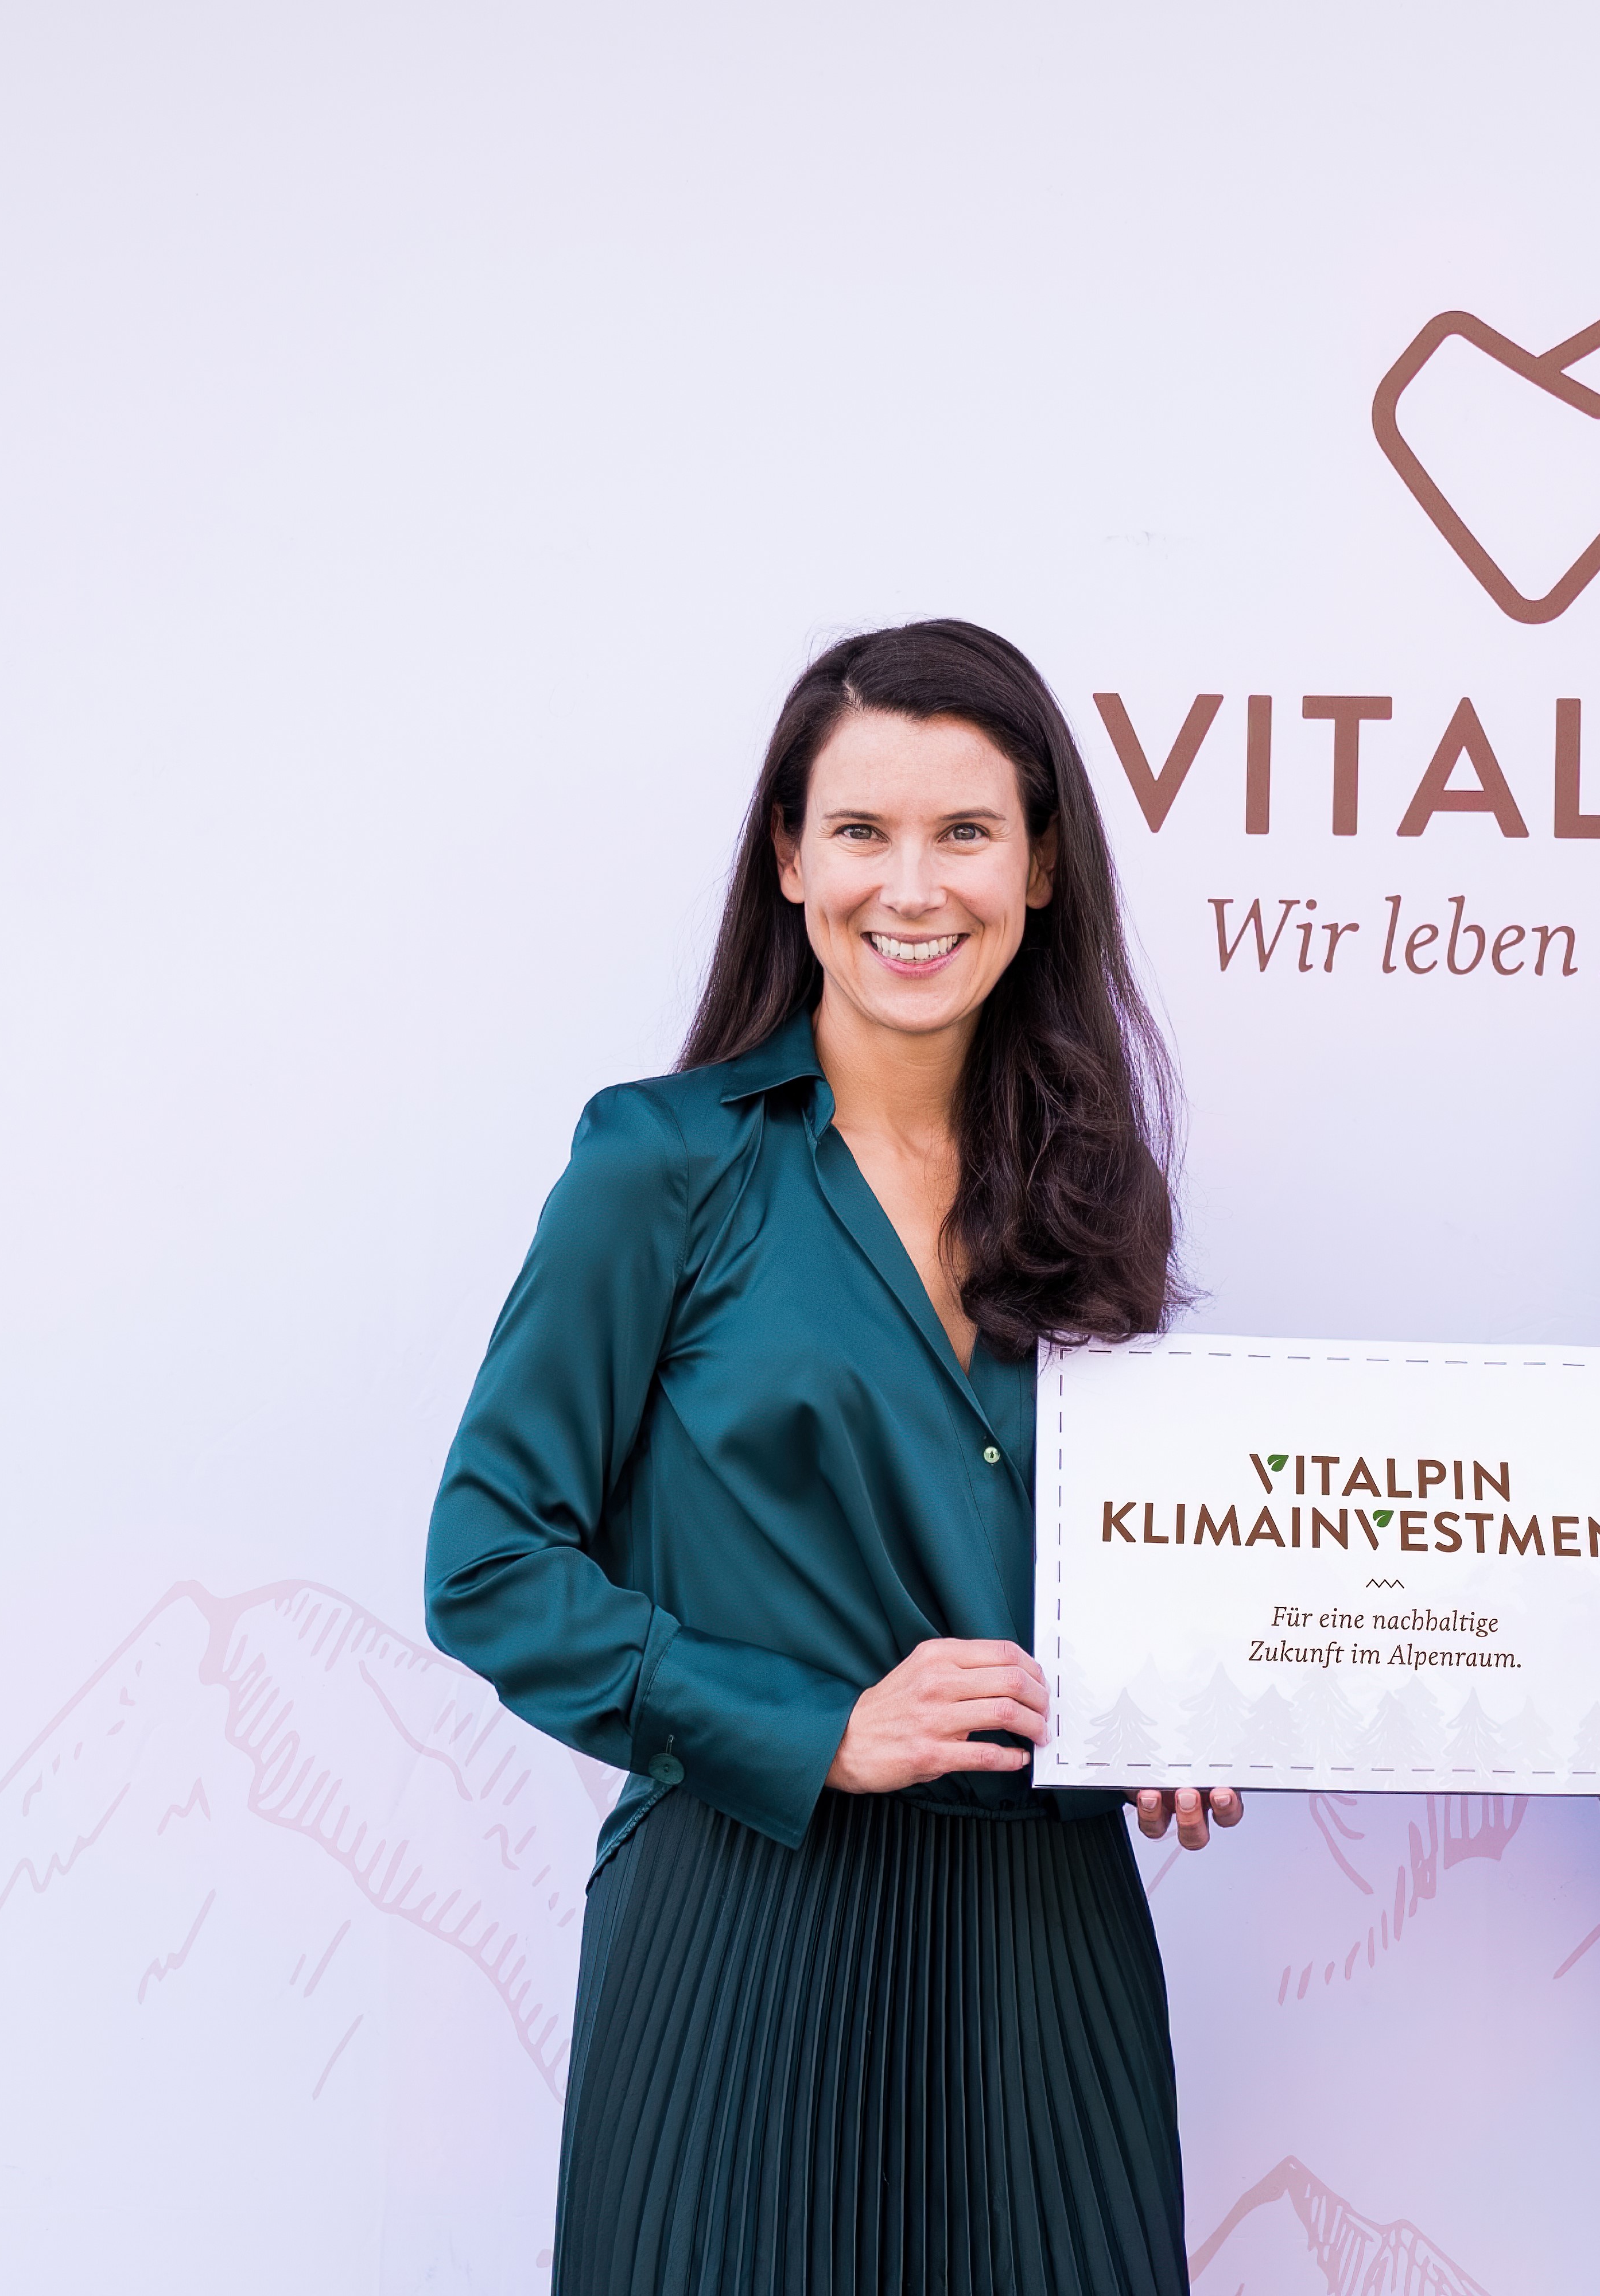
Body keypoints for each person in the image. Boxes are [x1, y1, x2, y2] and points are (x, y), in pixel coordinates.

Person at [426, 620, 1241, 2296]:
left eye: (966, 832)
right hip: (743, 1926)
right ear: (790, 860)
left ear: (1041, 868)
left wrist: (1177, 1707)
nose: (912, 887)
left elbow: (1119, 1564)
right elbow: (489, 1564)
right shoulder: (661, 1165)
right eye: (861, 830)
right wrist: (822, 1728)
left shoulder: (1098, 1196)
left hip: (1044, 1950)